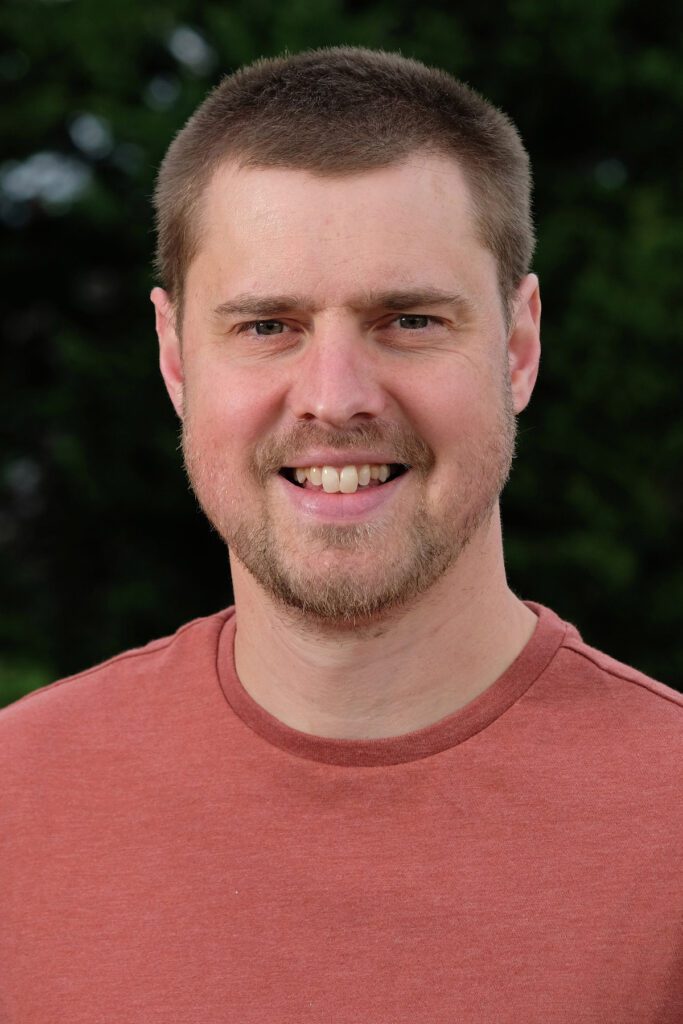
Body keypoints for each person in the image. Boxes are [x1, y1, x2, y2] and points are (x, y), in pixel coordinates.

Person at [0, 47, 680, 1023]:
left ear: (518, 345)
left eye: (406, 319)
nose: (333, 399)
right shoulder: (17, 811)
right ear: (173, 357)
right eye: (267, 326)